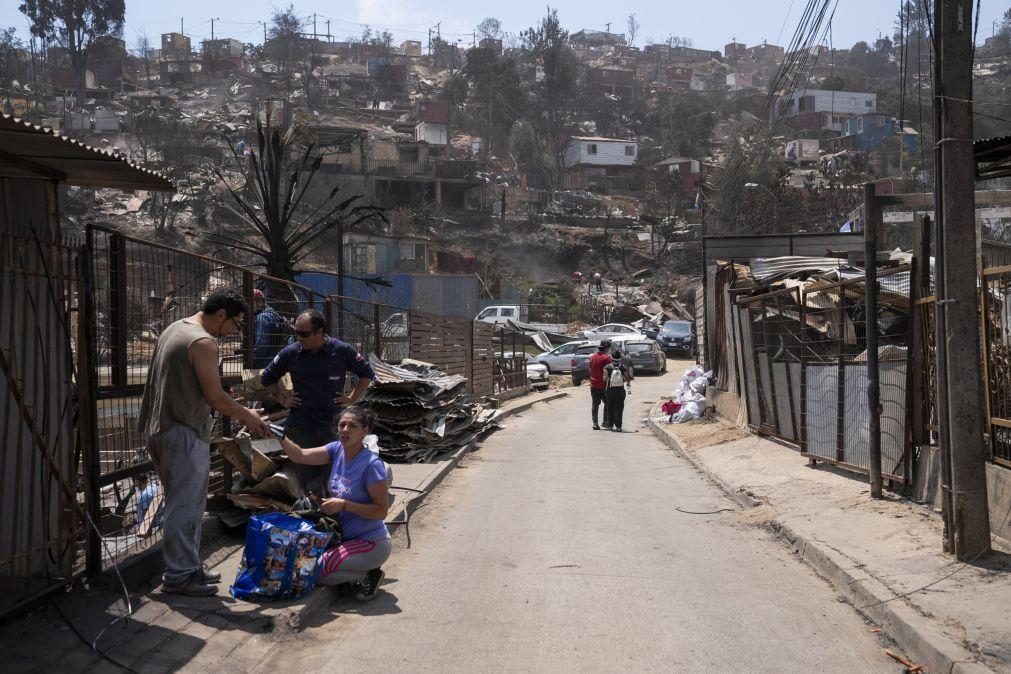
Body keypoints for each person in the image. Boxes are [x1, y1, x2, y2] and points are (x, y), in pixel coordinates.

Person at [138, 288, 270, 597]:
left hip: (161, 428)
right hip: (181, 432)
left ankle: (189, 568)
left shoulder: (176, 328)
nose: (233, 332)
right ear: (221, 314)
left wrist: (230, 403)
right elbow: (214, 397)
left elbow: (195, 386)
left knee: (186, 502)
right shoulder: (203, 342)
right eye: (235, 324)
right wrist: (248, 416)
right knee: (183, 505)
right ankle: (178, 577)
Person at [261, 309, 376, 496]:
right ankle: (313, 517)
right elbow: (267, 378)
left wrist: (351, 399)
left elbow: (366, 374)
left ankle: (335, 519)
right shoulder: (291, 353)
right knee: (306, 483)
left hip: (333, 430)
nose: (299, 337)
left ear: (319, 332)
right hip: (302, 429)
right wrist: (283, 398)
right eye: (296, 332)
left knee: (335, 480)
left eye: (304, 333)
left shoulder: (341, 351)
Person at [281, 406, 391, 601]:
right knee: (298, 562)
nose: (345, 430)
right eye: (342, 425)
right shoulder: (336, 449)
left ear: (364, 431)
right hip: (343, 539)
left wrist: (344, 504)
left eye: (352, 426)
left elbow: (381, 512)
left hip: (370, 542)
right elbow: (299, 456)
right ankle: (354, 573)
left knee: (314, 570)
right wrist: (280, 436)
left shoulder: (372, 466)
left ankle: (368, 574)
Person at [252, 289, 291, 369]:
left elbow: (262, 345)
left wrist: (250, 359)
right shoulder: (274, 314)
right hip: (277, 362)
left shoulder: (262, 318)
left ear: (259, 302)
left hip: (264, 365)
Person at [603, 351, 633, 432]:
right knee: (619, 409)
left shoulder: (607, 367)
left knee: (610, 408)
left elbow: (604, 379)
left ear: (611, 358)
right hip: (620, 390)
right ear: (619, 359)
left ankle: (610, 425)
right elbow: (627, 379)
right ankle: (618, 426)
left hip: (610, 390)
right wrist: (628, 386)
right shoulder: (623, 367)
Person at [588, 340, 612, 431]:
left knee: (595, 404)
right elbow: (609, 371)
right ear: (606, 348)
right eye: (608, 348)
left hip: (593, 385)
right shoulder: (607, 358)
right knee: (608, 403)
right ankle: (605, 421)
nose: (609, 350)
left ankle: (595, 423)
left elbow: (590, 370)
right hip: (604, 386)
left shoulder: (593, 357)